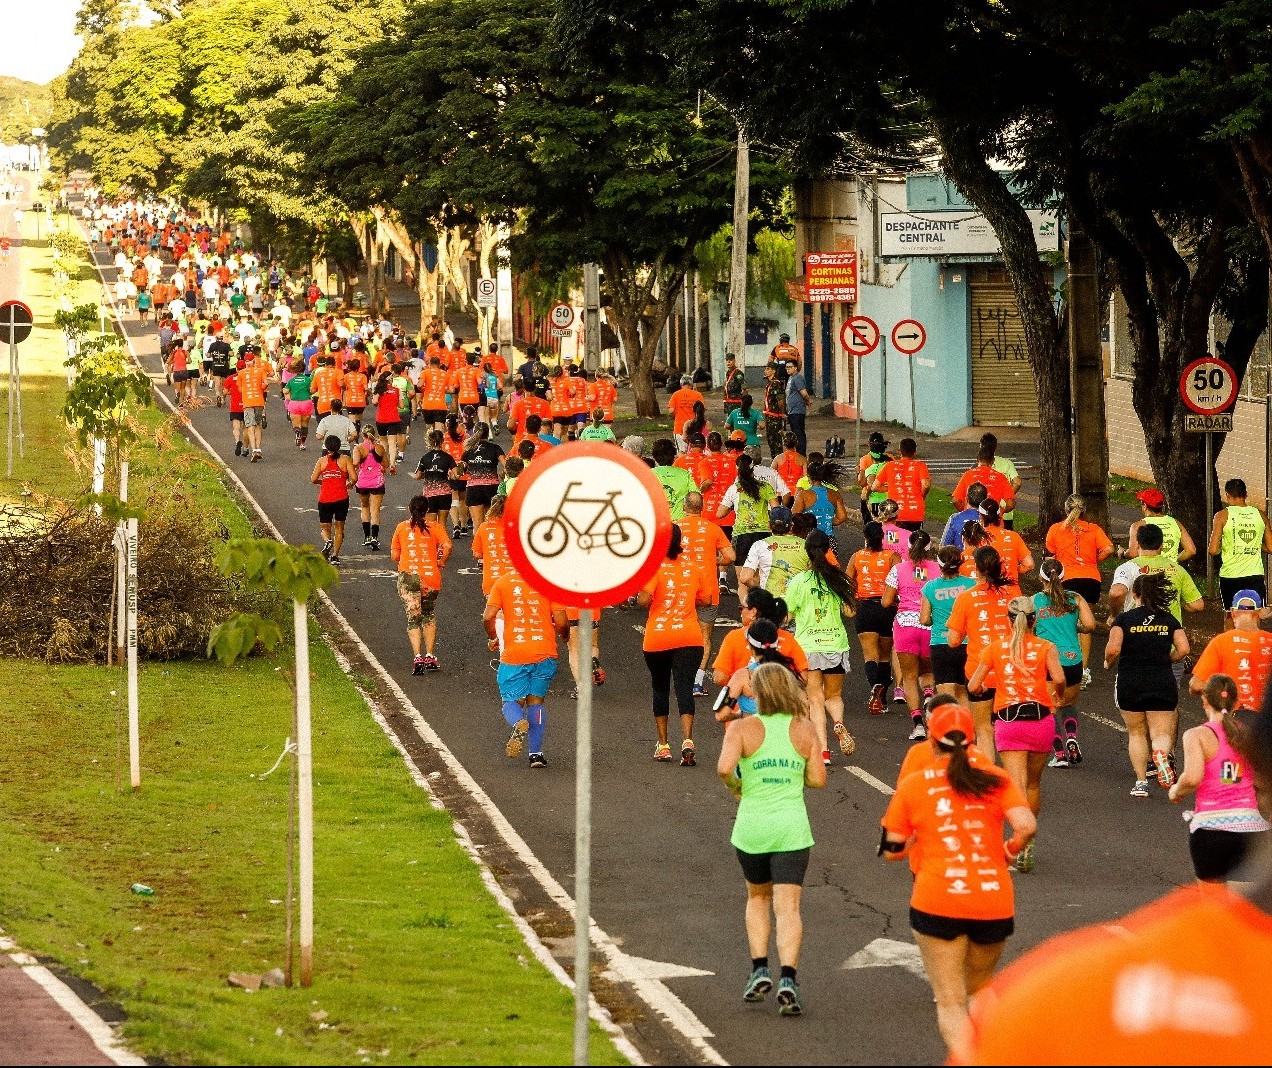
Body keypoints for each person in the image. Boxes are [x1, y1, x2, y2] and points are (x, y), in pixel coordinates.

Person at [879, 703, 1035, 1055]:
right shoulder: (996, 779)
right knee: (981, 989)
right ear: (973, 741)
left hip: (937, 898)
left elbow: (891, 848)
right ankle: (1004, 1055)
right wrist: (1008, 851)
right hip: (992, 899)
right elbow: (1026, 825)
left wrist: (919, 837)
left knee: (950, 1001)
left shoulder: (915, 785)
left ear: (931, 743)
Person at [717, 661, 825, 1017]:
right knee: (789, 907)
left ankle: (759, 968)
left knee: (757, 898)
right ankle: (789, 978)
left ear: (759, 693)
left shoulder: (741, 728)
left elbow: (723, 768)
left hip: (752, 827)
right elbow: (818, 780)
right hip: (792, 829)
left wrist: (738, 786)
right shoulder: (804, 729)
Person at [967, 597, 1064, 872]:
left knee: (1016, 786)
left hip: (1010, 722)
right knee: (1033, 784)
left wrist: (986, 688)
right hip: (1040, 720)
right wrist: (1054, 697)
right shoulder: (1047, 647)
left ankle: (1017, 841)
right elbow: (1058, 679)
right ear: (1035, 619)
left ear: (1009, 620)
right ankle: (1029, 840)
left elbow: (974, 685)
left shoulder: (995, 648)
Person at [1171, 673, 1272, 883]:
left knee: (1212, 908)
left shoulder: (1196, 735)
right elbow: (1263, 781)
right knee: (1245, 910)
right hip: (1251, 830)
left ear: (1205, 700)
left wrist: (1176, 791)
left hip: (1211, 830)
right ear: (1236, 702)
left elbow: (1192, 778)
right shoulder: (1249, 735)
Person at [1105, 570, 1191, 798]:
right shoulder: (1168, 619)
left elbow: (1113, 648)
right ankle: (1161, 752)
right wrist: (1166, 659)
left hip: (1130, 679)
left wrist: (1107, 663)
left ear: (1135, 595)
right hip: (1162, 679)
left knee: (1136, 732)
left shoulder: (1124, 619)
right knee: (1161, 731)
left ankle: (1141, 782)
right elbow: (1184, 649)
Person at [637, 524, 713, 765]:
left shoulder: (653, 568)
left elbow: (644, 599)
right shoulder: (694, 567)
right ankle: (688, 740)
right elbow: (706, 599)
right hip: (689, 637)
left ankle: (663, 744)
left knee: (660, 687)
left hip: (658, 637)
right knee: (684, 687)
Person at [482, 570, 569, 770]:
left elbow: (488, 617)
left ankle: (518, 723)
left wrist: (493, 636)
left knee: (511, 701)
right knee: (536, 701)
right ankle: (536, 754)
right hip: (545, 652)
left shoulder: (503, 582)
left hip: (516, 654)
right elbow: (562, 620)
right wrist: (564, 636)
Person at [785, 530, 857, 766]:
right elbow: (850, 612)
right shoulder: (838, 579)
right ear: (828, 550)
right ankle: (838, 722)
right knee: (834, 696)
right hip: (836, 643)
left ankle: (823, 751)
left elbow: (787, 615)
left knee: (814, 699)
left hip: (808, 646)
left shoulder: (798, 581)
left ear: (807, 552)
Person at [945, 545, 1015, 757]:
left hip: (980, 674)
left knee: (984, 729)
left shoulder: (966, 598)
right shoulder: (1013, 593)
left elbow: (953, 641)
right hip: (1010, 671)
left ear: (976, 568)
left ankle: (987, 776)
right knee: (1009, 729)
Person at [1032, 558, 1095, 768]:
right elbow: (1090, 625)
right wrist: (1076, 628)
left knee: (1049, 709)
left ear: (1041, 578)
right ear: (1063, 577)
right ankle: (1071, 738)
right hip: (1073, 660)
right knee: (1068, 704)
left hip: (1049, 661)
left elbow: (1028, 629)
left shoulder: (1034, 601)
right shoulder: (1075, 599)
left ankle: (1059, 754)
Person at [1043, 493, 1113, 675]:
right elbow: (1109, 548)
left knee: (1061, 620)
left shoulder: (1056, 529)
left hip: (1065, 579)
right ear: (1084, 512)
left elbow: (1049, 558)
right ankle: (1083, 669)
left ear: (1066, 510)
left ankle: (1062, 662)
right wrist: (1095, 560)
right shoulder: (1094, 529)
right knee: (1084, 622)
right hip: (1090, 580)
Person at [883, 529, 941, 740]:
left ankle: (917, 724)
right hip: (929, 625)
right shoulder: (938, 569)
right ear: (929, 548)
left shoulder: (898, 569)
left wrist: (902, 601)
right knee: (928, 673)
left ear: (908, 548)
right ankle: (928, 695)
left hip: (905, 626)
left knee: (909, 677)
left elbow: (886, 601)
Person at [678, 492, 736, 698]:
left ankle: (681, 678)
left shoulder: (675, 528)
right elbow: (731, 556)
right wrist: (714, 561)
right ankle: (697, 682)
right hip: (708, 590)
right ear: (702, 508)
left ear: (684, 506)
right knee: (704, 637)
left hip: (680, 589)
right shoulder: (713, 528)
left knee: (681, 634)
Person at [390, 494, 453, 673]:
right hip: (431, 577)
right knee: (428, 614)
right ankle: (430, 655)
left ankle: (417, 656)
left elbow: (395, 555)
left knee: (413, 617)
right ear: (427, 510)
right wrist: (440, 562)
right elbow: (447, 546)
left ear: (410, 509)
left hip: (409, 577)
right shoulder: (435, 527)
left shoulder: (401, 528)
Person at [845, 522, 900, 716]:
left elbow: (847, 580)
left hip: (865, 606)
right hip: (887, 607)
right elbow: (899, 580)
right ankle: (883, 700)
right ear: (881, 538)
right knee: (885, 656)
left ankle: (874, 684)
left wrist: (854, 595)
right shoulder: (892, 557)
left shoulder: (856, 556)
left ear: (866, 538)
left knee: (870, 655)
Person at [1189, 587, 1272, 714]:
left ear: (1232, 612)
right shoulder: (1269, 640)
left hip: (1233, 719)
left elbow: (1196, 685)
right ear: (1259, 613)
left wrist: (1223, 693)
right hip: (1266, 720)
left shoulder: (1221, 642)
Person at [1108, 522, 1204, 624]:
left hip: (1136, 631)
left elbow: (1116, 593)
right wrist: (1176, 602)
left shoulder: (1127, 568)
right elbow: (1197, 605)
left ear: (1138, 545)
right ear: (1161, 546)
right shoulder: (1177, 569)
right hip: (1168, 633)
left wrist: (1114, 615)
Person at [712, 587, 809, 687]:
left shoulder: (734, 637)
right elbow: (803, 677)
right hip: (778, 701)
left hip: (741, 701)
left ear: (753, 612)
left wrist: (742, 685)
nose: (740, 612)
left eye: (741, 608)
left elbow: (720, 678)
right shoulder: (787, 638)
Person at [1208, 477, 1272, 618]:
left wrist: (1224, 546)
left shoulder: (1222, 516)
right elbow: (1270, 547)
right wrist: (1254, 545)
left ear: (1227, 495)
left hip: (1230, 576)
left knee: (1231, 616)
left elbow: (1212, 550)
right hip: (1255, 575)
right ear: (1246, 494)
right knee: (1255, 617)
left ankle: (1231, 640)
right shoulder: (1260, 515)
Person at [921, 546, 976, 706]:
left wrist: (936, 620)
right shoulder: (971, 585)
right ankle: (967, 727)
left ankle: (951, 727)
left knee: (945, 694)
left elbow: (924, 619)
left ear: (939, 565)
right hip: (965, 643)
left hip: (940, 643)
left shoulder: (930, 587)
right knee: (962, 691)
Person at [717, 620, 803, 722]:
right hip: (783, 734)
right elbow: (803, 708)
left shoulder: (743, 675)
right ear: (776, 643)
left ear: (750, 647)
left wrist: (741, 715)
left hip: (752, 733)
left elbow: (722, 715)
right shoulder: (788, 672)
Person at [718, 454, 778, 588]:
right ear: (753, 469)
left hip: (741, 535)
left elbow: (720, 513)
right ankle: (760, 602)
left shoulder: (734, 489)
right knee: (760, 575)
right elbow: (776, 509)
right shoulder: (765, 487)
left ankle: (746, 605)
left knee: (742, 581)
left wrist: (732, 506)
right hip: (763, 534)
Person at [736, 505, 808, 599]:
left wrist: (759, 588)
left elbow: (745, 578)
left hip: (770, 602)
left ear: (769, 525)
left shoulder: (759, 545)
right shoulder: (805, 544)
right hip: (799, 600)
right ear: (791, 526)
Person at [310, 435, 356, 564]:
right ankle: (335, 556)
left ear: (326, 446)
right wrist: (349, 484)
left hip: (325, 498)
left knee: (325, 528)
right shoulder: (345, 459)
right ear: (339, 446)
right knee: (339, 528)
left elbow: (313, 479)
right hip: (342, 498)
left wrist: (324, 481)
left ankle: (327, 541)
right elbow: (354, 477)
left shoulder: (321, 461)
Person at [1127, 486, 1196, 565]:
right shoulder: (1176, 523)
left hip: (1148, 572)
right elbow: (1191, 550)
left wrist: (1123, 553)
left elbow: (1132, 553)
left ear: (1145, 506)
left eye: (1142, 504)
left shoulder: (1138, 526)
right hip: (1171, 572)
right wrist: (1174, 560)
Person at [872, 438, 931, 530]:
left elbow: (875, 487)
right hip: (914, 514)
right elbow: (926, 485)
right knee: (912, 542)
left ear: (900, 452)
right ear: (914, 453)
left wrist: (891, 488)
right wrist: (922, 495)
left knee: (893, 541)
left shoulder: (889, 465)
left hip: (894, 513)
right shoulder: (921, 466)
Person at [792, 460, 848, 545]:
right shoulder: (835, 494)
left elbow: (795, 516)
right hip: (828, 540)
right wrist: (827, 521)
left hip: (809, 539)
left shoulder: (803, 495)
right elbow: (842, 517)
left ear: (808, 476)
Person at [462, 423, 504, 531]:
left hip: (474, 489)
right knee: (491, 523)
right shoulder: (495, 448)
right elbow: (506, 465)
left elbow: (459, 471)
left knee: (478, 525)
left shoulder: (469, 450)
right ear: (487, 433)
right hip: (491, 488)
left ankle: (477, 548)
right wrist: (503, 474)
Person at [952, 444, 1016, 516]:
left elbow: (955, 500)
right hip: (993, 522)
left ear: (977, 459)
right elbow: (1010, 504)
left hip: (971, 522)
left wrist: (965, 511)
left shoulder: (968, 474)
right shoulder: (1000, 477)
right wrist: (999, 513)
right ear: (992, 461)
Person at [651, 437, 698, 521]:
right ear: (674, 456)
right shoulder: (685, 474)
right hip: (680, 523)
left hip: (658, 523)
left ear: (654, 457)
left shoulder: (649, 474)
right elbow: (695, 498)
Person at [372, 370, 404, 474]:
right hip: (394, 418)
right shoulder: (397, 390)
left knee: (382, 441)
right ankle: (392, 464)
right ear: (390, 379)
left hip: (381, 419)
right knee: (392, 442)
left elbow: (375, 402)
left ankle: (382, 464)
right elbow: (402, 406)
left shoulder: (379, 390)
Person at [856, 431, 892, 525]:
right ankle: (891, 540)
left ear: (869, 444)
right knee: (890, 528)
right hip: (890, 498)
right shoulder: (890, 459)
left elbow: (862, 483)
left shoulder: (866, 460)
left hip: (872, 500)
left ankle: (873, 539)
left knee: (872, 528)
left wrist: (859, 472)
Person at [941, 481, 987, 549]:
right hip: (983, 558)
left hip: (960, 558)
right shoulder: (989, 520)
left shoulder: (955, 518)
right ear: (985, 500)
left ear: (967, 499)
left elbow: (944, 547)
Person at [282, 357, 314, 449]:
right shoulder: (308, 380)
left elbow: (285, 391)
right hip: (306, 402)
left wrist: (285, 391)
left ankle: (297, 433)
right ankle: (303, 444)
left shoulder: (291, 381)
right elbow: (312, 390)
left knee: (296, 423)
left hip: (295, 403)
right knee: (305, 425)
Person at [723, 393, 763, 460]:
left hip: (737, 444)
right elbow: (762, 425)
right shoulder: (756, 413)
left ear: (741, 402)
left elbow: (726, 426)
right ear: (751, 403)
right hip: (752, 443)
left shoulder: (734, 412)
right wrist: (758, 427)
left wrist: (733, 429)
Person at [784, 359, 811, 456]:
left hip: (797, 410)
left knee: (798, 433)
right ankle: (798, 452)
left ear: (795, 368)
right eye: (786, 367)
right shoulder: (791, 378)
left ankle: (801, 453)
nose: (788, 369)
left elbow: (803, 393)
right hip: (792, 410)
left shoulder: (798, 378)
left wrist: (808, 401)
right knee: (795, 432)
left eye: (790, 367)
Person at [761, 362, 787, 460]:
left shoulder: (776, 384)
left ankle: (779, 462)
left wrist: (782, 413)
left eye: (768, 369)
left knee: (776, 441)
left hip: (775, 416)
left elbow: (780, 400)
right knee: (770, 440)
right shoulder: (770, 383)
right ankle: (774, 461)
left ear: (774, 371)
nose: (765, 371)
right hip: (769, 416)